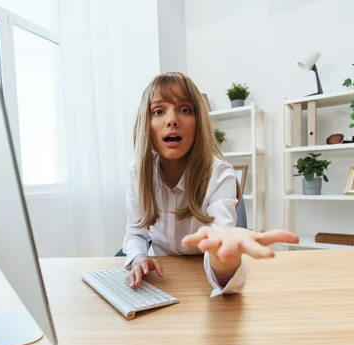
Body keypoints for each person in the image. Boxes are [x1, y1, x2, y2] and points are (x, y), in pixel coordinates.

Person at [122, 72, 298, 296]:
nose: (172, 120)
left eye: (185, 110)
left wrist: (223, 257)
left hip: (202, 284)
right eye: (159, 111)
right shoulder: (138, 173)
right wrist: (139, 257)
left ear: (199, 123)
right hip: (164, 284)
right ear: (146, 125)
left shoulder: (220, 175)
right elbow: (136, 234)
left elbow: (223, 260)